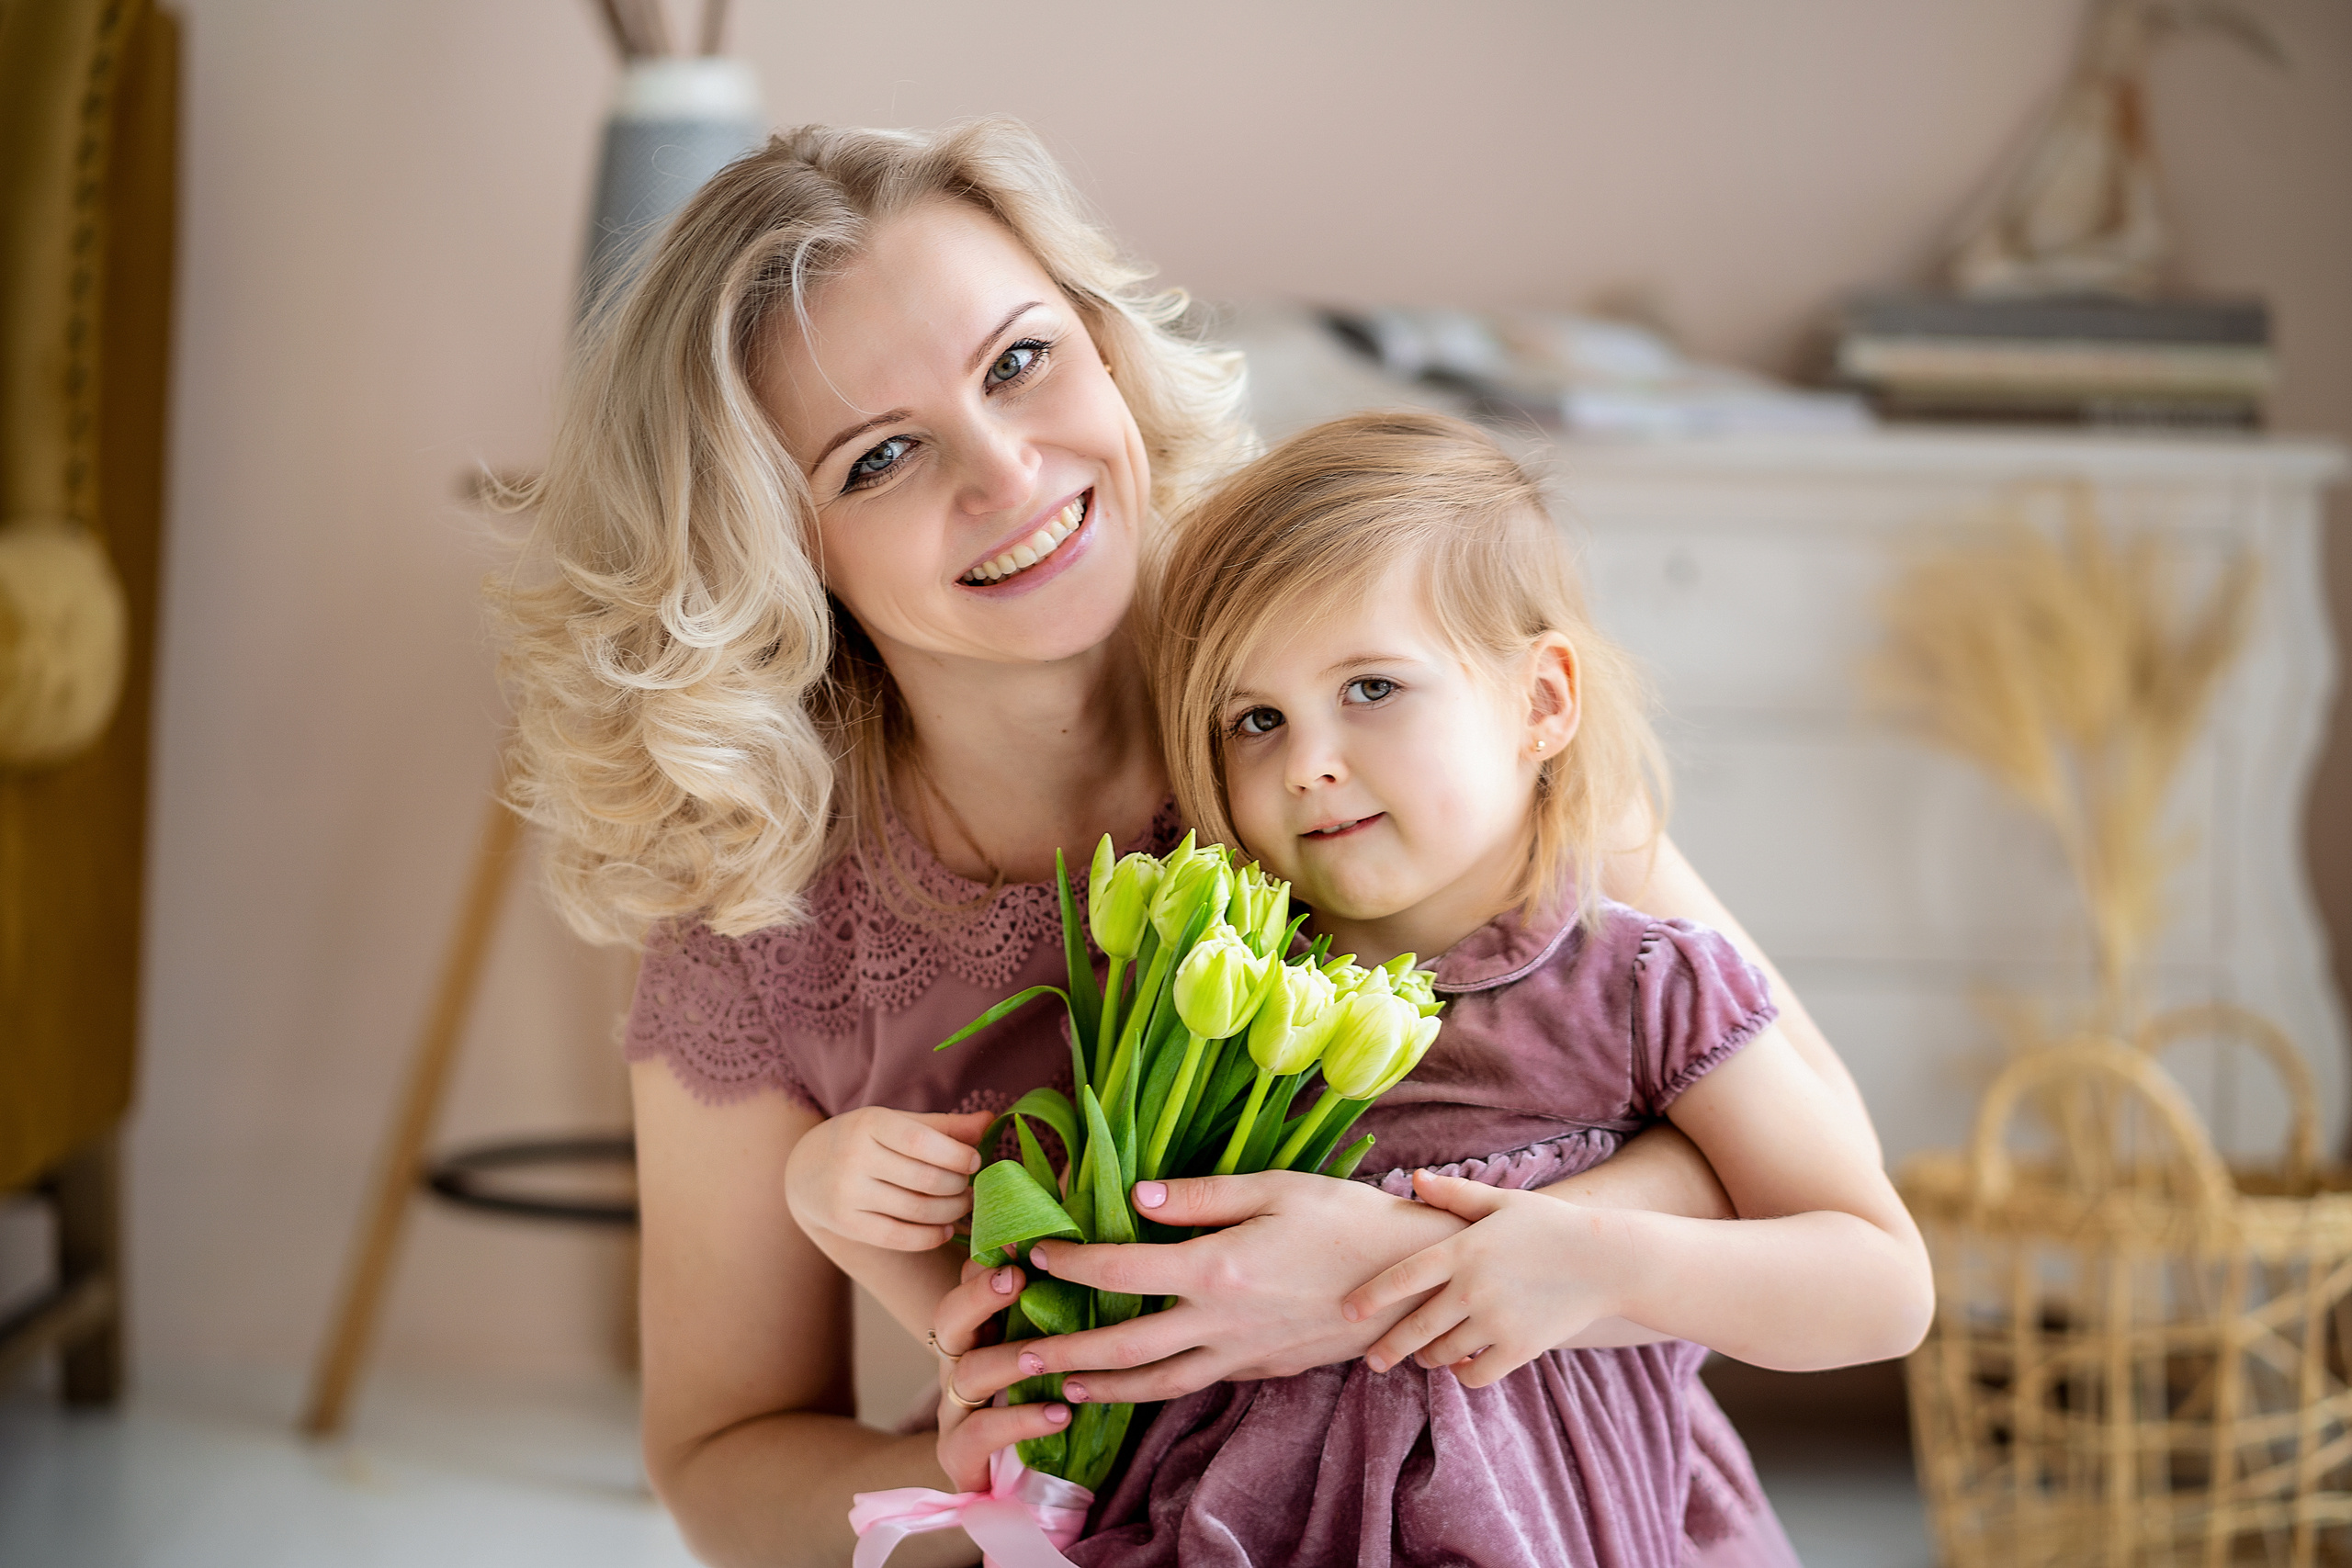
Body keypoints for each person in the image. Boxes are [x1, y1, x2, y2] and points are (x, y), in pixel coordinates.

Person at [497, 118, 1886, 1568]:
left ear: (1103, 345)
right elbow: (720, 1451)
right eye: (882, 455)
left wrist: (1386, 1277)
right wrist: (973, 1508)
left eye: (1021, 360)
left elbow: (1795, 1162)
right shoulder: (763, 919)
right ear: (774, 544)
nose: (1007, 469)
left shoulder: (1367, 671)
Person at [930, 410, 1932, 1566]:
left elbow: (1881, 1283)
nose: (1305, 762)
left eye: (1370, 689)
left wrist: (1600, 1258)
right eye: (1255, 720)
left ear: (1542, 702)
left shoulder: (1642, 984)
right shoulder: (1223, 992)